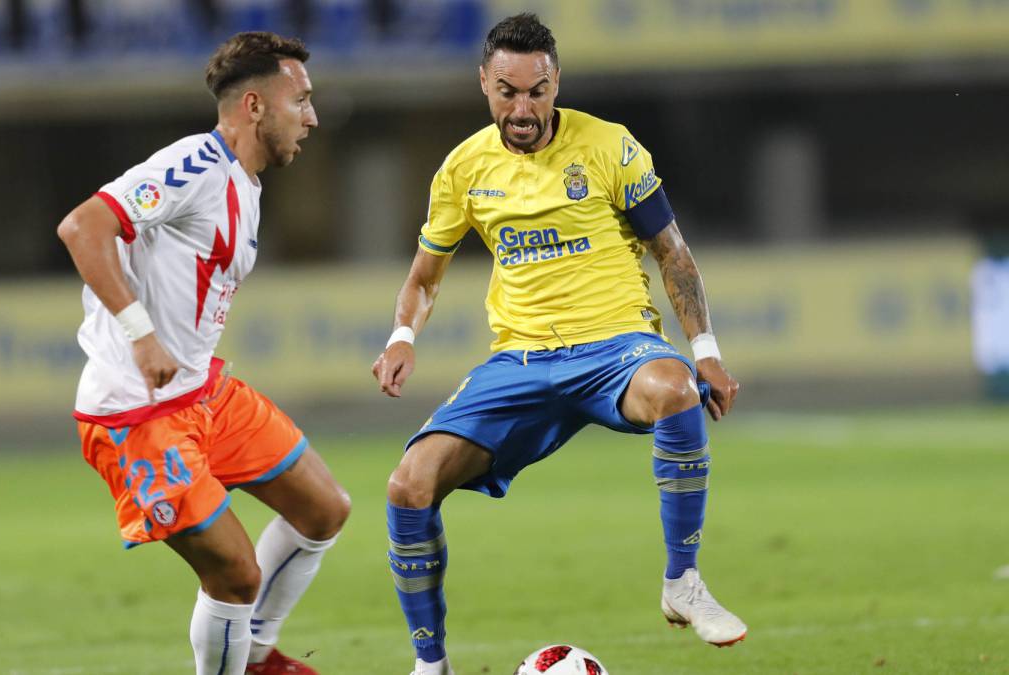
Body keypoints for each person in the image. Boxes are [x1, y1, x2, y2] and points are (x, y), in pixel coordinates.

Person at [370, 13, 747, 674]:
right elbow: (423, 278)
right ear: (484, 82)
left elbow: (674, 254)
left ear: (556, 82)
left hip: (615, 348)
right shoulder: (463, 168)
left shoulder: (609, 146)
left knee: (678, 390)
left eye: (537, 90)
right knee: (409, 483)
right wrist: (403, 335)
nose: (523, 107)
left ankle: (682, 582)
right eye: (508, 91)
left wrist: (706, 346)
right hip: (519, 360)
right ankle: (430, 664)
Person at [57, 32, 349, 675]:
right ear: (254, 106)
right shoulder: (194, 165)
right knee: (236, 575)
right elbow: (83, 227)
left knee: (323, 507)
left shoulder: (245, 183)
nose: (312, 116)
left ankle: (255, 656)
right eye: (300, 100)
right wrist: (140, 332)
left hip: (200, 395)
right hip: (137, 415)